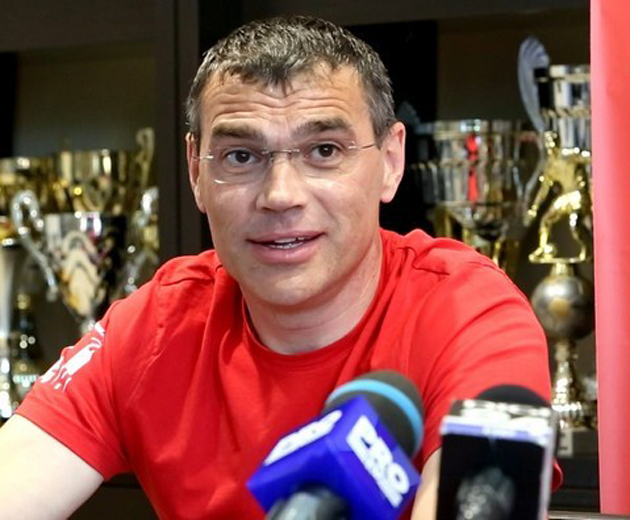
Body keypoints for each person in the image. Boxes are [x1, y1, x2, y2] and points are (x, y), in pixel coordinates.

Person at [0, 15, 558, 519]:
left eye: (324, 151)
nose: (280, 195)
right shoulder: (157, 324)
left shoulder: (469, 311)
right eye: (242, 156)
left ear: (390, 162)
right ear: (196, 172)